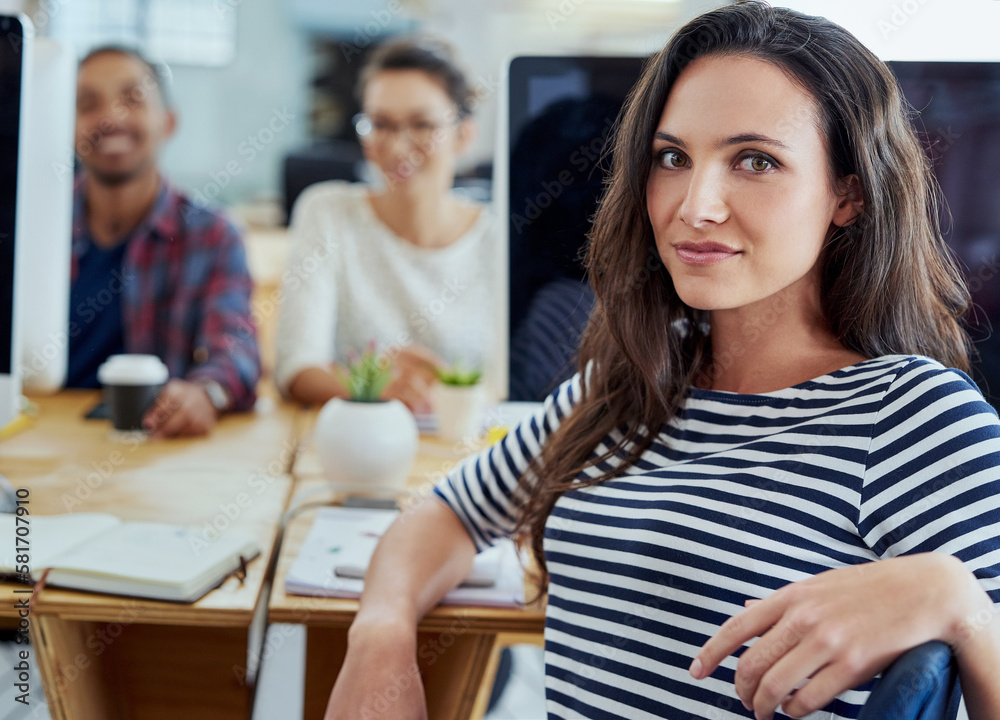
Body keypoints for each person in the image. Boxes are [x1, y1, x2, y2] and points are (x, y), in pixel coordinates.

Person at [323, 4, 1000, 719]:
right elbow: (447, 513)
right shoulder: (630, 384)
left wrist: (961, 608)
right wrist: (382, 635)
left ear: (849, 192)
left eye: (756, 160)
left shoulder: (914, 418)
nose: (694, 205)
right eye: (672, 158)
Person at [274, 38, 497, 414]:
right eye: (381, 124)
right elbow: (295, 369)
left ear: (464, 135)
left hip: (469, 452)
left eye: (422, 124)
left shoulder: (500, 238)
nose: (397, 146)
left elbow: (517, 387)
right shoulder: (328, 213)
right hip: (356, 447)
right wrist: (373, 384)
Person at [70, 46, 261, 437]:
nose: (110, 117)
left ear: (168, 122)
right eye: (88, 104)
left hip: (155, 447)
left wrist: (206, 394)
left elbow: (236, 351)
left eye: (132, 99)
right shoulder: (26, 229)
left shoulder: (214, 235)